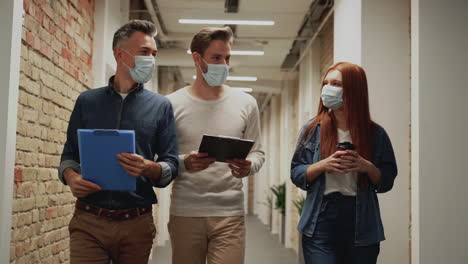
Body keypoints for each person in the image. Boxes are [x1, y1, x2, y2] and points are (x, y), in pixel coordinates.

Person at [58, 20, 178, 264]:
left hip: (136, 223)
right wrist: (71, 178)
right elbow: (69, 154)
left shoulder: (161, 106)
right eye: (144, 52)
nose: (151, 59)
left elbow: (171, 163)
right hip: (89, 220)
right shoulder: (87, 101)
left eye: (154, 54)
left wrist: (149, 168)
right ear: (119, 53)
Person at [166, 26, 265, 264]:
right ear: (197, 58)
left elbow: (258, 152)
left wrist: (249, 165)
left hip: (229, 213)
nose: (224, 64)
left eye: (227, 58)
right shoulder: (171, 104)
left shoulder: (246, 103)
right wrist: (184, 162)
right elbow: (161, 159)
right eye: (216, 58)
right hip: (186, 212)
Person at [291, 62, 397, 264]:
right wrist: (324, 165)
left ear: (353, 90)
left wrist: (366, 167)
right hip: (320, 220)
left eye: (335, 83)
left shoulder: (375, 134)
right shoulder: (312, 129)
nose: (327, 88)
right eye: (326, 83)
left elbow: (387, 181)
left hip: (361, 222)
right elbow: (296, 173)